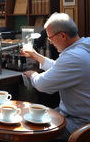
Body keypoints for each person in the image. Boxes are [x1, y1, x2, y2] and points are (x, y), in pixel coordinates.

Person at [21, 12, 90, 140]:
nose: (50, 42)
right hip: (78, 115)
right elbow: (60, 67)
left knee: (28, 131)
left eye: (50, 38)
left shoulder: (73, 57)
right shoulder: (84, 46)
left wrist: (32, 74)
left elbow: (42, 85)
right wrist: (36, 56)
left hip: (79, 125)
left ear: (63, 35)